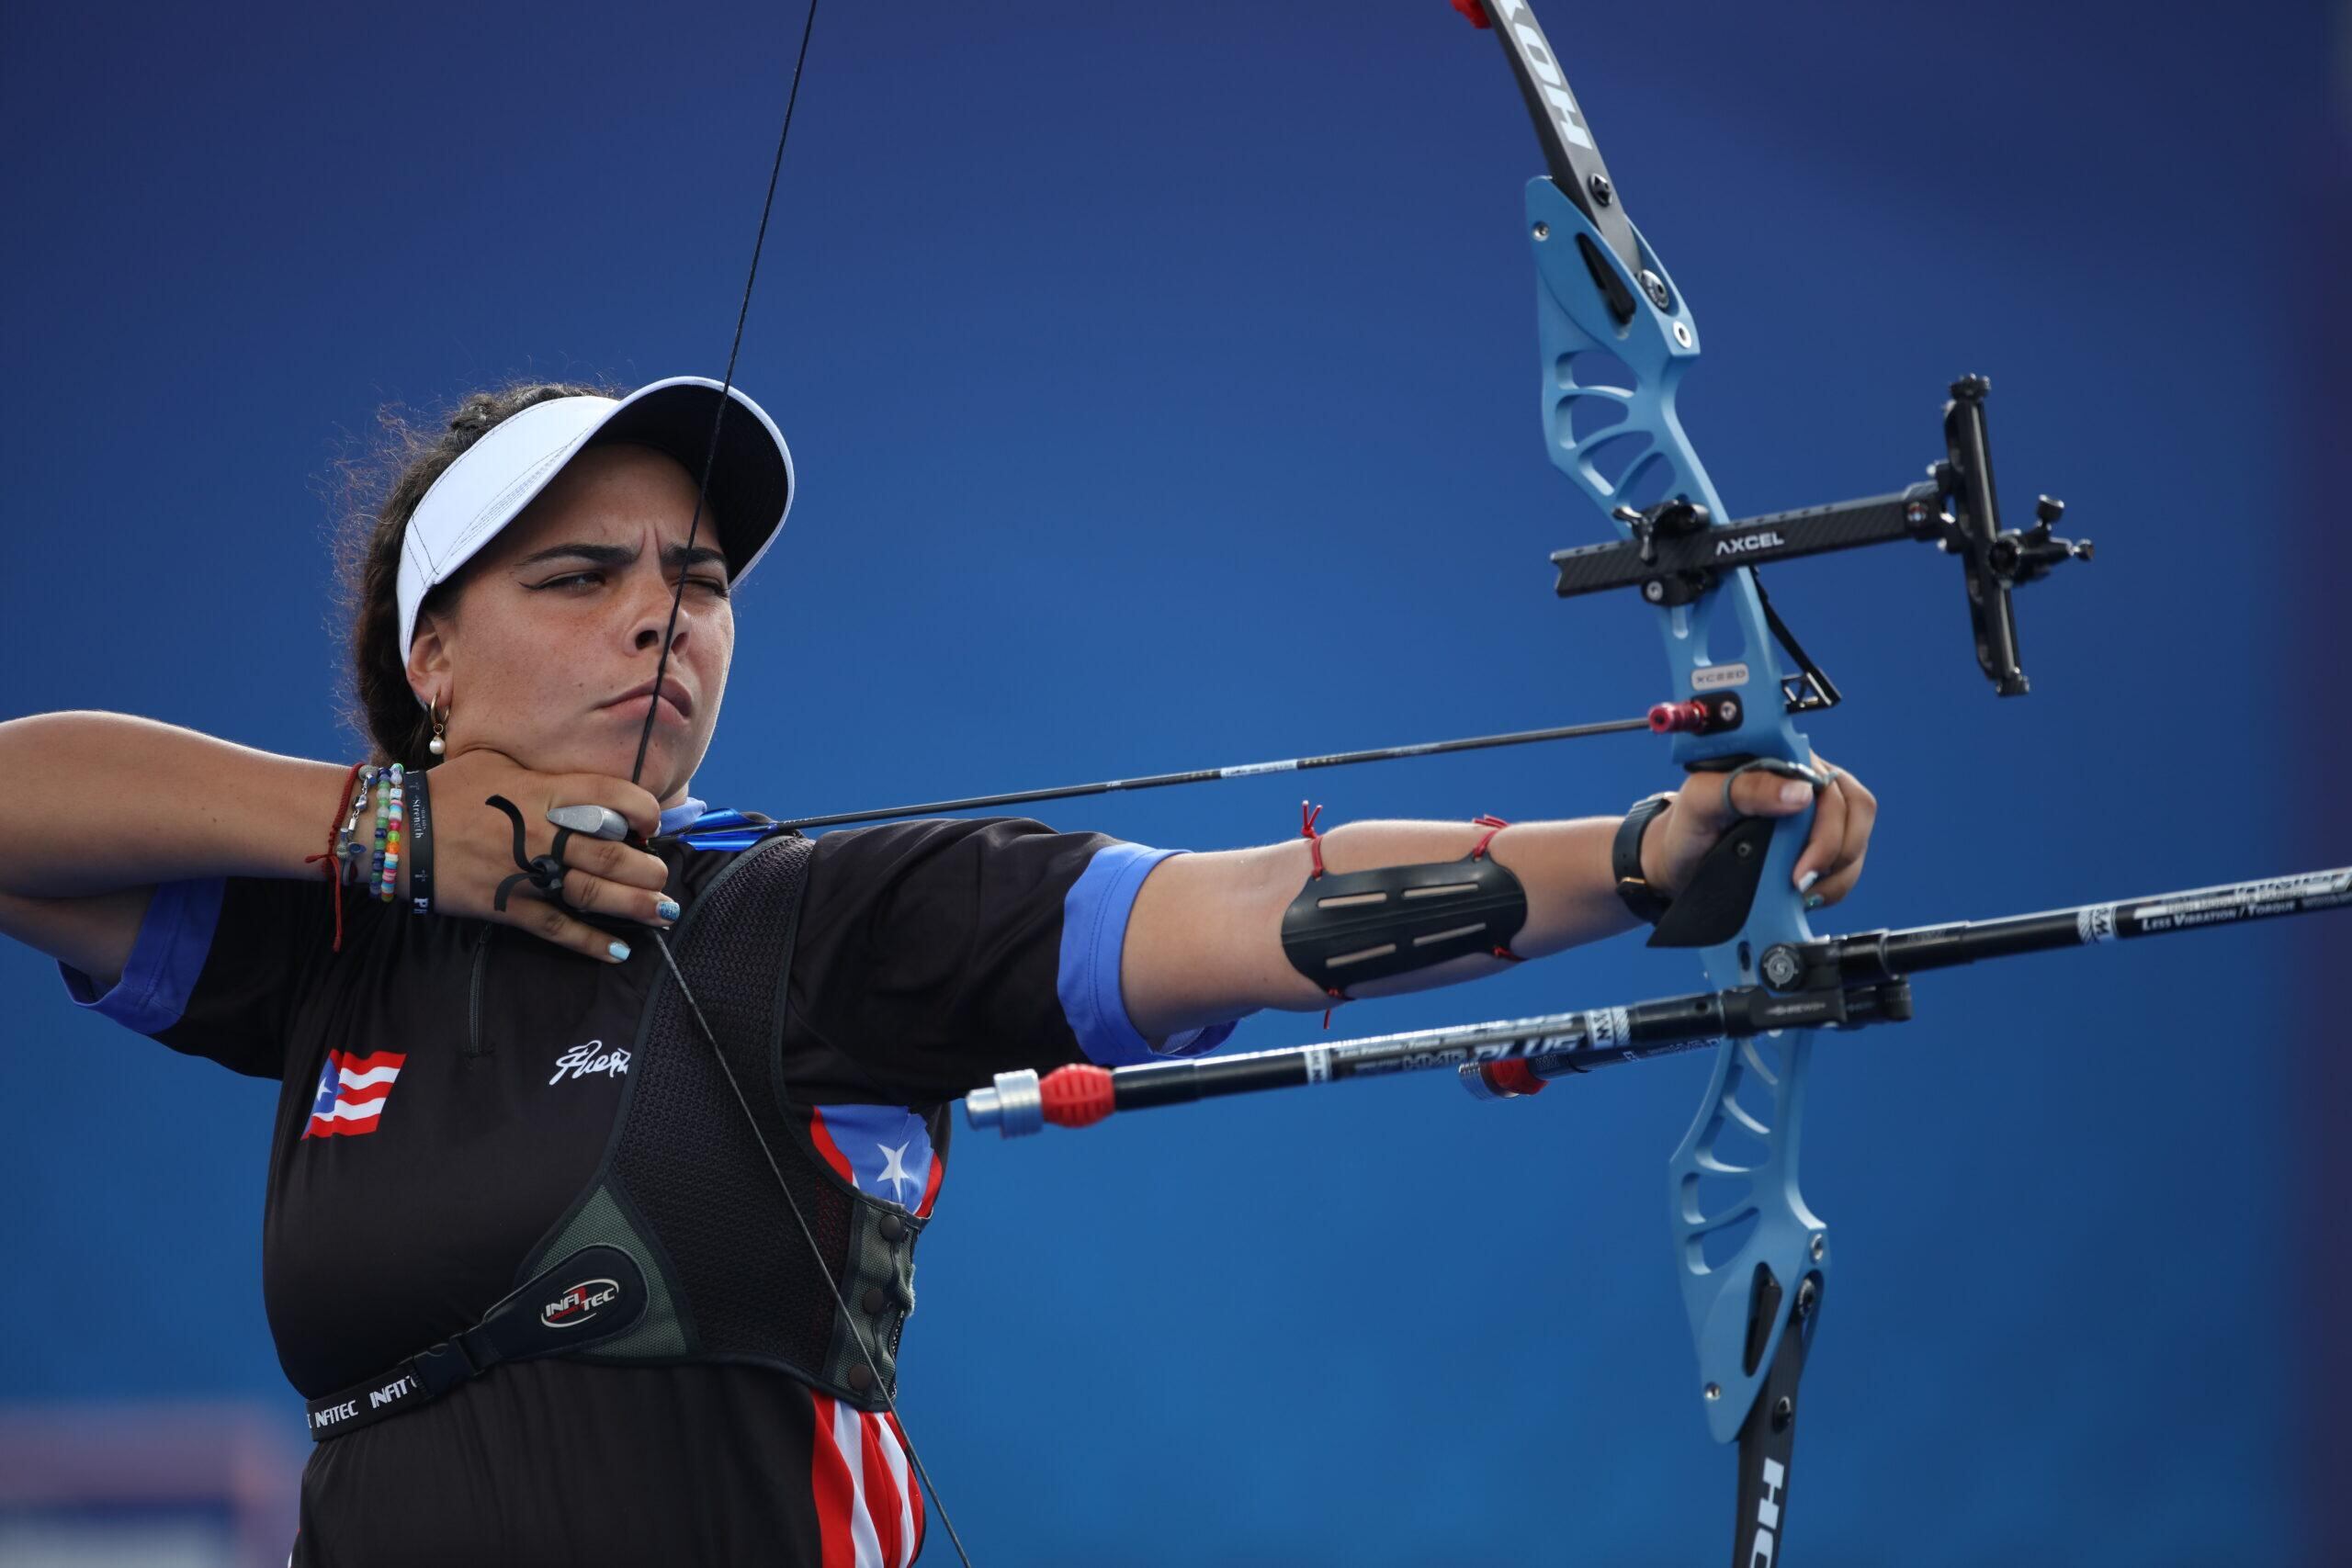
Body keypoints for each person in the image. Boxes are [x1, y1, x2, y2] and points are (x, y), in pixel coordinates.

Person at [0, 376, 1878, 1568]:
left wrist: (1644, 853)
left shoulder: (811, 919)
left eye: (698, 579)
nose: (661, 615)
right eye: (580, 576)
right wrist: (382, 831)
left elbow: (1242, 909)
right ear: (431, 654)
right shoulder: (330, 947)